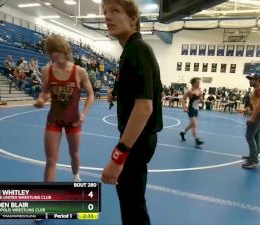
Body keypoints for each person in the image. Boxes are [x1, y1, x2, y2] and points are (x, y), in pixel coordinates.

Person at [101, 1, 163, 224]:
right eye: (106, 12)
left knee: (132, 205)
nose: (108, 17)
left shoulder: (138, 49)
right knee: (131, 201)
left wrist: (118, 157)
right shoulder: (131, 50)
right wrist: (117, 90)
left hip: (136, 142)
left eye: (115, 11)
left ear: (133, 18)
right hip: (136, 141)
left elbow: (145, 107)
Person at [33, 34, 94, 182]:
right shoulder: (46, 71)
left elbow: (91, 94)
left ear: (66, 51)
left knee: (74, 154)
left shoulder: (79, 71)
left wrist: (84, 114)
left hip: (74, 120)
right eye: (53, 51)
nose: (56, 54)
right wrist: (41, 99)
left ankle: (75, 175)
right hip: (54, 119)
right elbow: (46, 92)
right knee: (51, 161)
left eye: (58, 50)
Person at [242, 73, 260, 169]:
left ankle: (254, 160)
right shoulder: (257, 89)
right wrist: (248, 110)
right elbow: (257, 104)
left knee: (249, 136)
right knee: (255, 136)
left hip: (258, 115)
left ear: (258, 80)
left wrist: (253, 117)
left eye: (252, 79)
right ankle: (253, 156)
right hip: (259, 114)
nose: (250, 80)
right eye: (249, 79)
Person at [180, 77, 204, 147]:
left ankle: (183, 132)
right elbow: (183, 98)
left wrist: (202, 102)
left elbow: (201, 100)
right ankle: (197, 140)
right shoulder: (190, 91)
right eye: (197, 82)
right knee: (194, 124)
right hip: (191, 109)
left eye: (199, 82)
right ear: (193, 83)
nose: (199, 83)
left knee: (191, 124)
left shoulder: (200, 91)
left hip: (196, 109)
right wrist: (184, 107)